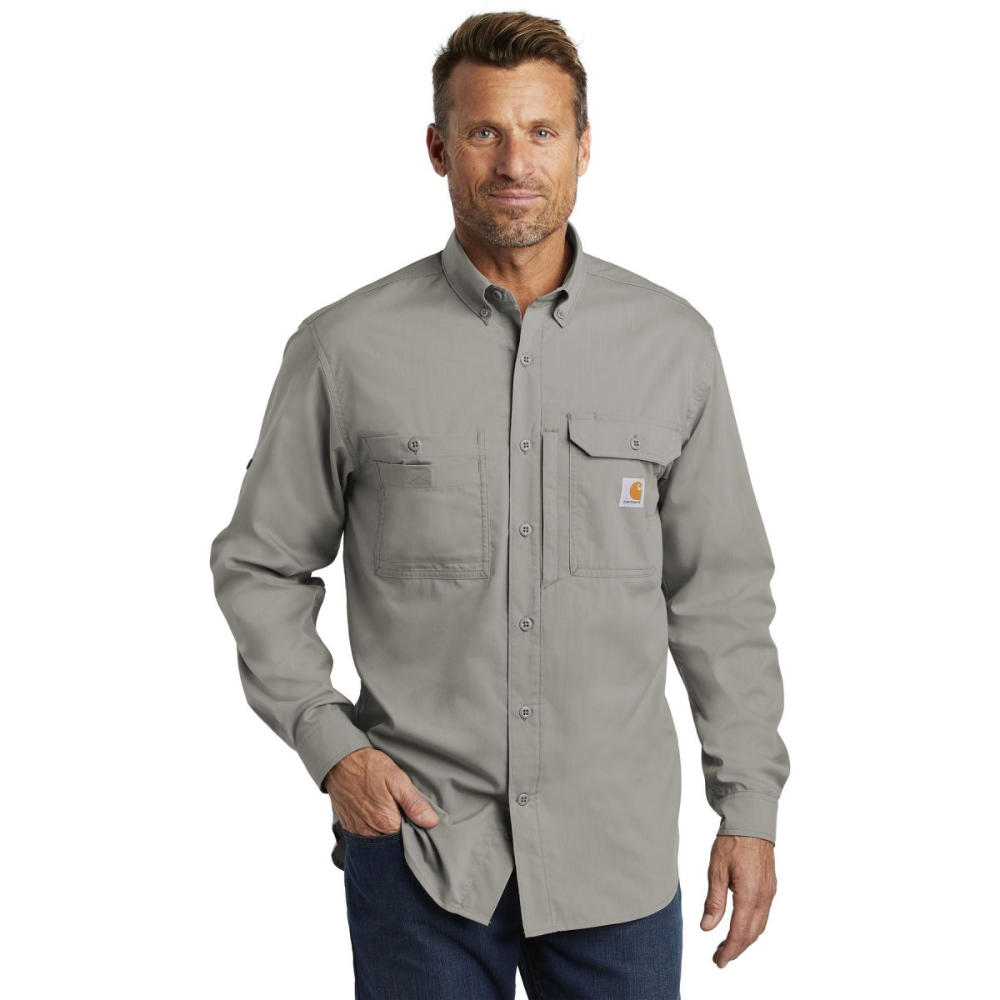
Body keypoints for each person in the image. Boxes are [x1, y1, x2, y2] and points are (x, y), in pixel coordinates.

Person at [209, 10, 790, 999]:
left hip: (614, 856)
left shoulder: (674, 346)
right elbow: (260, 564)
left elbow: (719, 594)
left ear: (584, 147)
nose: (515, 161)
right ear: (439, 148)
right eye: (484, 131)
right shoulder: (344, 349)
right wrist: (331, 746)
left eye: (541, 130)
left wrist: (748, 806)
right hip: (421, 849)